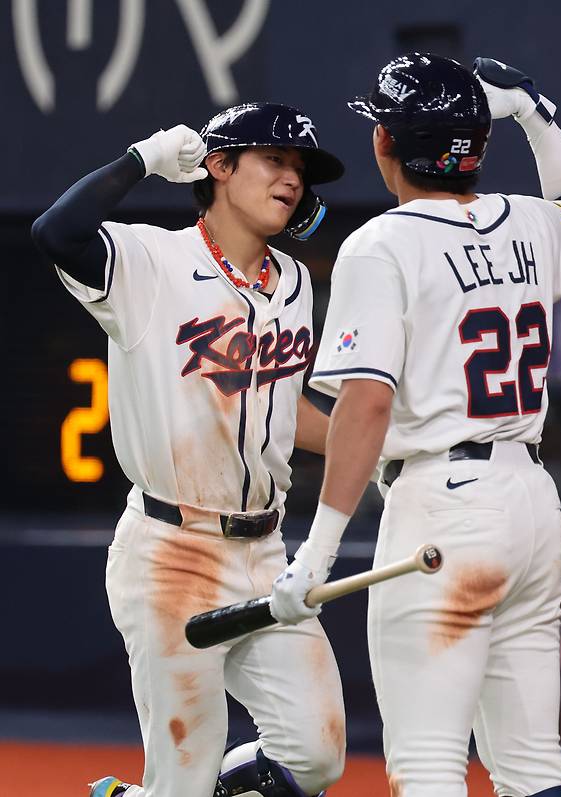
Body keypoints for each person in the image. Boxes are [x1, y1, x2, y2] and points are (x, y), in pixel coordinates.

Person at [269, 54, 561, 797]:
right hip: (531, 503)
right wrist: (531, 112)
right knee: (532, 766)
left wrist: (316, 555)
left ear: (385, 142)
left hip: (442, 510)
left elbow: (366, 404)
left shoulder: (382, 244)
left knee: (428, 765)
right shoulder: (530, 222)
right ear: (478, 145)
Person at [32, 103, 347, 797]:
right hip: (171, 553)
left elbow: (282, 408)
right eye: (274, 159)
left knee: (316, 756)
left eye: (299, 168)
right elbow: (56, 231)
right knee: (184, 773)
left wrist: (377, 447)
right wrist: (141, 160)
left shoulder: (294, 283)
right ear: (220, 166)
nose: (292, 178)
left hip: (266, 551)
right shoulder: (153, 261)